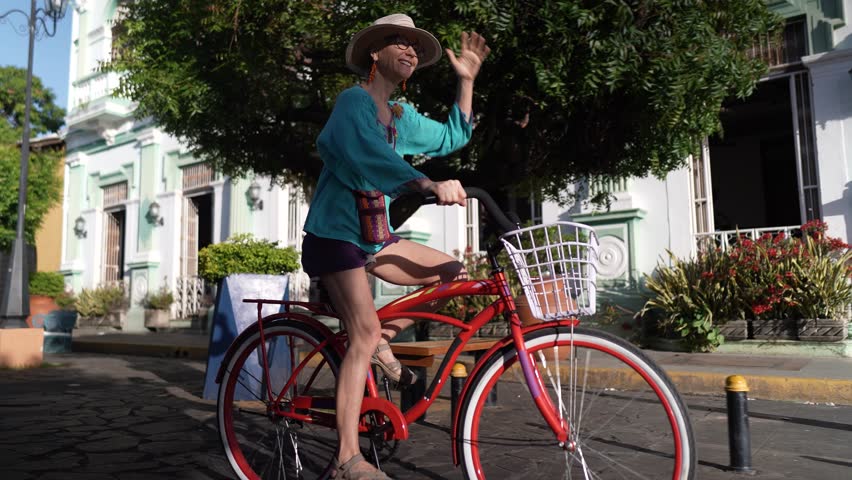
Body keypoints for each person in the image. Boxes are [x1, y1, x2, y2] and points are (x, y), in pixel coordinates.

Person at [300, 13, 490, 480]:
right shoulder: (353, 103)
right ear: (374, 54)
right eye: (398, 43)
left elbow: (453, 136)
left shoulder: (401, 118)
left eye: (413, 47)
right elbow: (367, 152)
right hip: (334, 236)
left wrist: (464, 81)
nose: (408, 51)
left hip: (373, 238)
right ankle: (347, 459)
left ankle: (383, 339)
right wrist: (424, 182)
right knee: (360, 334)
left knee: (451, 273)